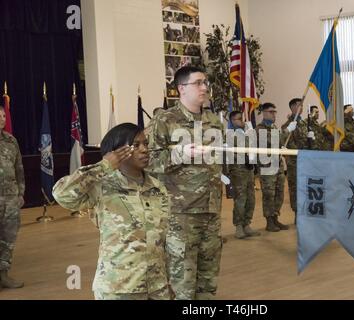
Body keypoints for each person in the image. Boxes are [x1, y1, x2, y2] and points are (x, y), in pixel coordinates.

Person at [53, 123, 171, 300]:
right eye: (136, 145)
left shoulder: (157, 188)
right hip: (119, 288)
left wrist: (167, 282)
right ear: (117, 152)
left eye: (145, 144)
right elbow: (62, 195)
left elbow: (163, 241)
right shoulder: (102, 186)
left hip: (157, 287)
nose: (145, 150)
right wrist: (104, 166)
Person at [150, 66, 223, 300]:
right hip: (181, 214)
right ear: (181, 88)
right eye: (198, 83)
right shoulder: (165, 120)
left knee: (208, 280)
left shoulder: (213, 120)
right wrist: (179, 155)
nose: (205, 87)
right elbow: (147, 160)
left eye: (206, 83)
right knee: (182, 283)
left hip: (211, 210)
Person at [0, 105, 25, 290]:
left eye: (3, 116)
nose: (2, 119)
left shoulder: (11, 141)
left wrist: (21, 193)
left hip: (10, 199)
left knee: (8, 238)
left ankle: (3, 275)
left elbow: (19, 169)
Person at [256, 102, 289, 232]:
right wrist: (286, 131)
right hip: (267, 166)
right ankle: (269, 221)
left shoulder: (274, 127)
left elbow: (279, 144)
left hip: (278, 164)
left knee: (279, 192)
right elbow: (273, 142)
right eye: (271, 111)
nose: (274, 114)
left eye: (274, 111)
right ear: (264, 113)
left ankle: (275, 217)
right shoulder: (260, 129)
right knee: (269, 194)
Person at [228, 111, 260, 239]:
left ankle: (247, 224)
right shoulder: (231, 135)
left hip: (249, 170)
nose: (241, 121)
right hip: (238, 171)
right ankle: (239, 226)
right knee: (240, 199)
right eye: (238, 119)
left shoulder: (247, 133)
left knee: (251, 198)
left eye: (242, 119)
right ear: (232, 121)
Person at [281, 98, 307, 223]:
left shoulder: (304, 123)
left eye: (302, 105)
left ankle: (306, 212)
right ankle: (297, 214)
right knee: (295, 188)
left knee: (306, 187)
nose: (301, 108)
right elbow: (289, 145)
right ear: (292, 108)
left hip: (307, 162)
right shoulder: (287, 126)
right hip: (295, 163)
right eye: (299, 105)